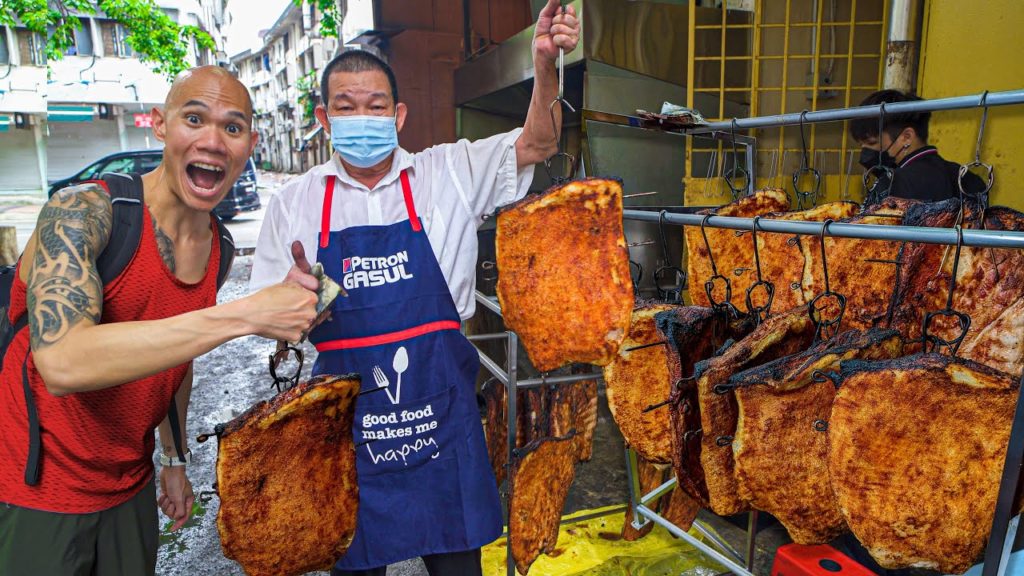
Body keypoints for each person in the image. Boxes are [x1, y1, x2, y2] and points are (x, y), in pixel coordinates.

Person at [248, 1, 580, 574]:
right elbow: (263, 319)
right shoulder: (293, 204)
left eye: (375, 105)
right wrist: (296, 308)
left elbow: (539, 144)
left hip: (444, 430)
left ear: (397, 115)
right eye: (347, 107)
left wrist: (546, 63)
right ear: (325, 119)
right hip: (350, 439)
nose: (363, 116)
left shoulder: (446, 172)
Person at [0, 66, 320, 575]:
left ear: (250, 145)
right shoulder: (83, 211)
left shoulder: (219, 247)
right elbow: (62, 362)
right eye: (195, 119)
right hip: (37, 485)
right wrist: (243, 314)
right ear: (160, 124)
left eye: (232, 128)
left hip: (129, 481)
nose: (213, 140)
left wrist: (172, 459)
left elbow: (175, 358)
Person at [852, 89, 985, 204]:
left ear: (907, 137)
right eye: (861, 145)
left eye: (872, 143)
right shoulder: (970, 179)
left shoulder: (891, 185)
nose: (865, 151)